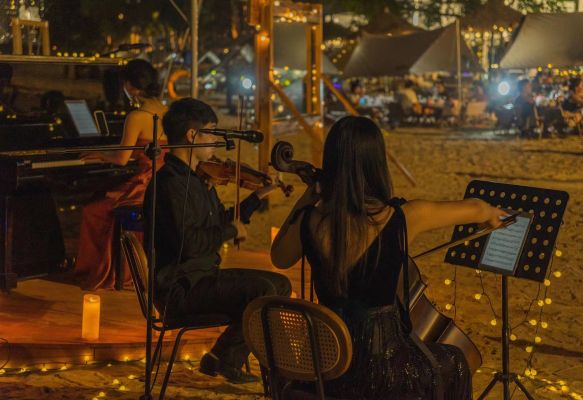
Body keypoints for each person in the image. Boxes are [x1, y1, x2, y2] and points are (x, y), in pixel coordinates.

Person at [271, 116, 508, 400]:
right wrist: (492, 214)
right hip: (383, 372)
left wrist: (310, 196)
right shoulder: (403, 217)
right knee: (455, 360)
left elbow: (279, 257)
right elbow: (477, 208)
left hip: (328, 370)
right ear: (376, 164)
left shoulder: (309, 220)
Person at [144, 98, 291, 384]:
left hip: (202, 277)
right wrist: (229, 231)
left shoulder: (197, 180)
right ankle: (228, 359)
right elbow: (191, 243)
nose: (217, 141)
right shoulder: (171, 184)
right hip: (181, 287)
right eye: (212, 132)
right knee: (262, 291)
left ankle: (222, 357)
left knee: (281, 284)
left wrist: (257, 196)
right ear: (192, 135)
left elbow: (221, 221)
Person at [75, 59, 168, 290]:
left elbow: (121, 159)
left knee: (93, 210)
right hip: (164, 182)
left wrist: (100, 154)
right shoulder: (167, 112)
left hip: (144, 185)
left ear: (131, 86)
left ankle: (105, 270)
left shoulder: (137, 117)